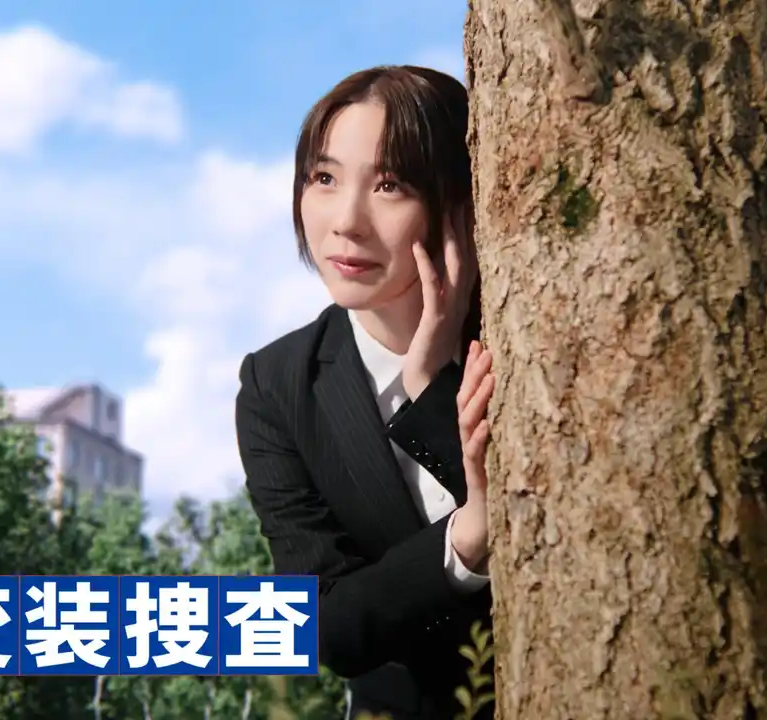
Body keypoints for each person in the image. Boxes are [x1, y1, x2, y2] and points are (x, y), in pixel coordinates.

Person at [234, 65, 497, 720]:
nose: (345, 223)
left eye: (389, 185)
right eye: (324, 179)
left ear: (458, 202)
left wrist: (428, 383)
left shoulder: (518, 340)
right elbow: (325, 625)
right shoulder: (279, 384)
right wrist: (466, 540)